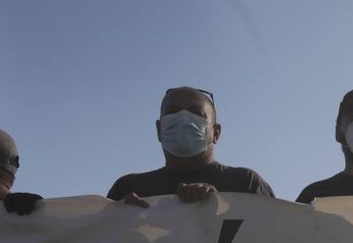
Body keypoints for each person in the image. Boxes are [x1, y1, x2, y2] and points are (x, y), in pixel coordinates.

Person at [107, 86, 273, 205]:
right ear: (159, 129)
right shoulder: (128, 187)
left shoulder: (245, 183)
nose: (183, 119)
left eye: (196, 113)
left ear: (216, 133)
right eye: (172, 112)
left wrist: (223, 204)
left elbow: (276, 240)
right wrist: (117, 217)